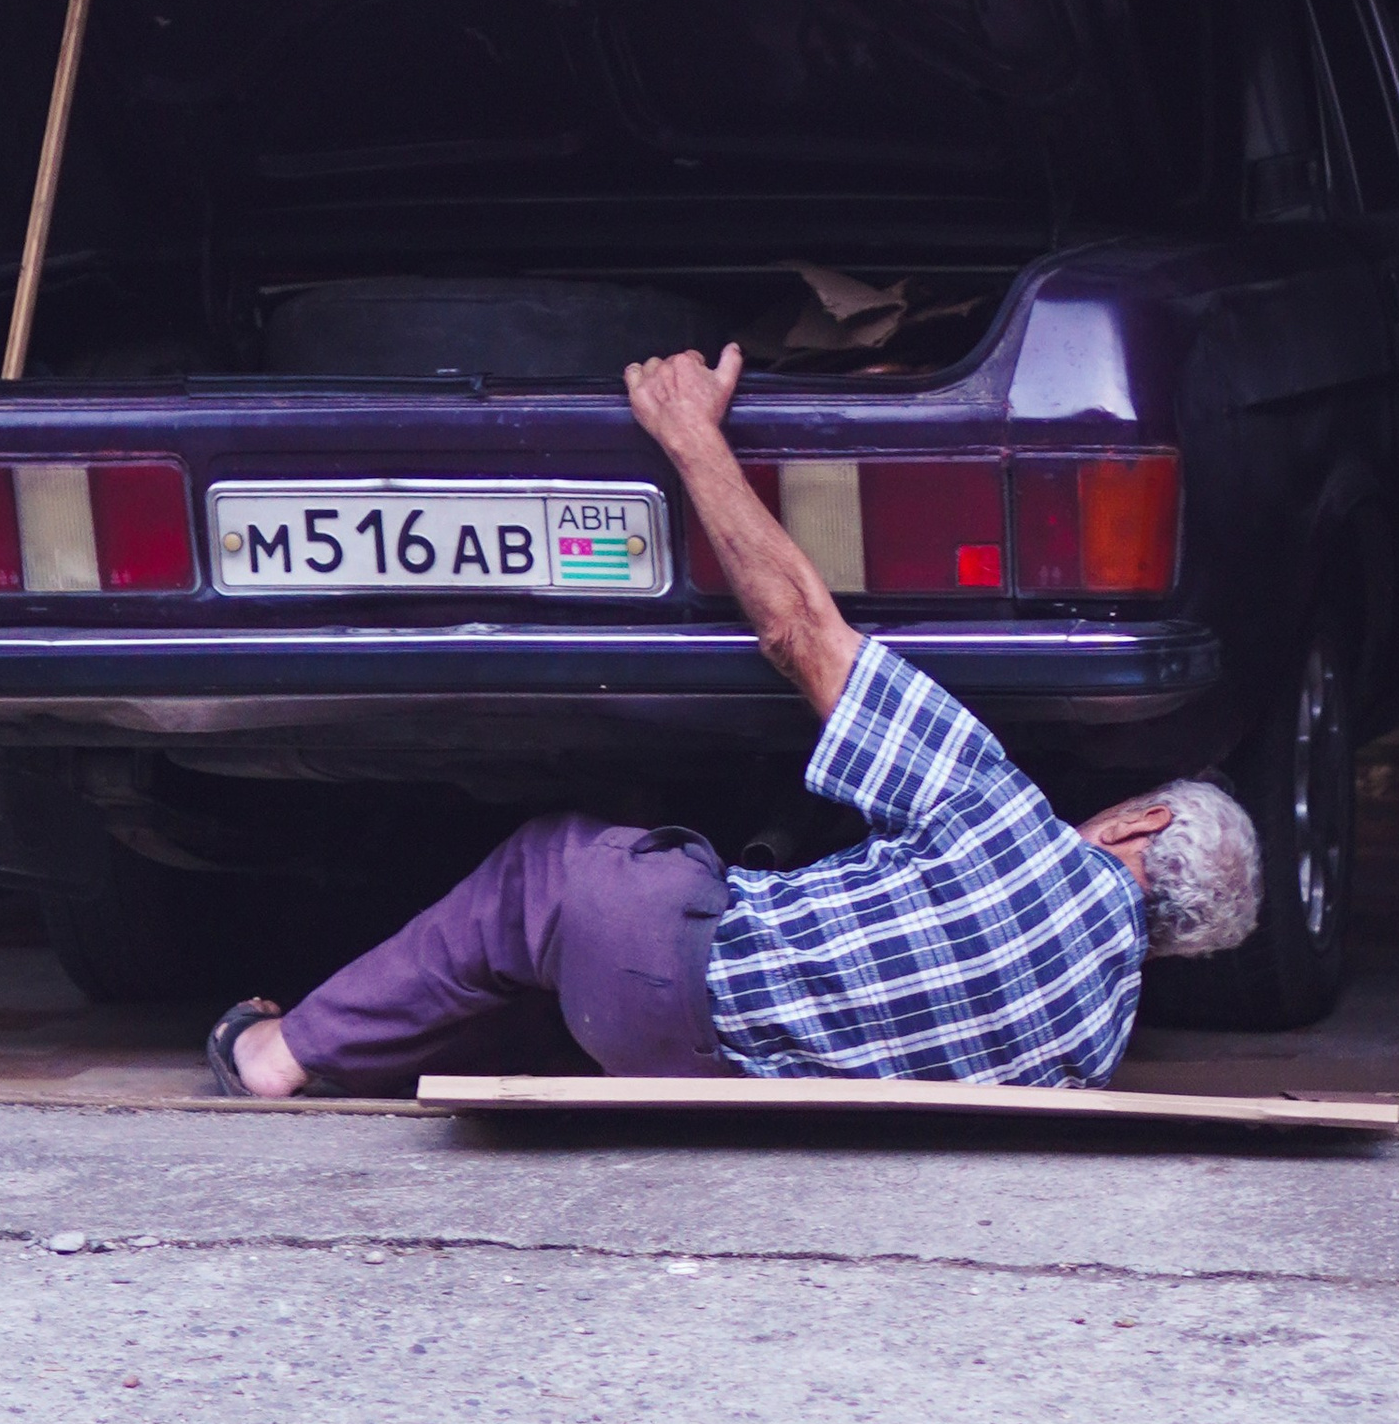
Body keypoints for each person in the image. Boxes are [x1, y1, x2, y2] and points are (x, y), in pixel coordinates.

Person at [210, 341, 1262, 1100]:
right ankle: (443, 1039)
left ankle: (282, 1055)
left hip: (663, 974)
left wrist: (687, 434)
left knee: (546, 874)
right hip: (698, 1074)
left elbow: (798, 628)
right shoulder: (1093, 1044)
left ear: (1141, 829)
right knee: (574, 960)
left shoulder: (1002, 822)